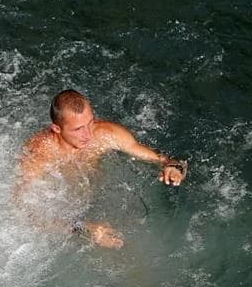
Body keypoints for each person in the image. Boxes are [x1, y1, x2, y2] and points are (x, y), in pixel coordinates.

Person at [14, 89, 187, 248]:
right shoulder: (40, 153)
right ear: (56, 128)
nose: (88, 134)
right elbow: (25, 214)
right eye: (78, 129)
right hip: (62, 210)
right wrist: (83, 229)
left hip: (95, 194)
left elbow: (160, 158)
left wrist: (173, 167)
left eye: (90, 123)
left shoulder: (106, 133)